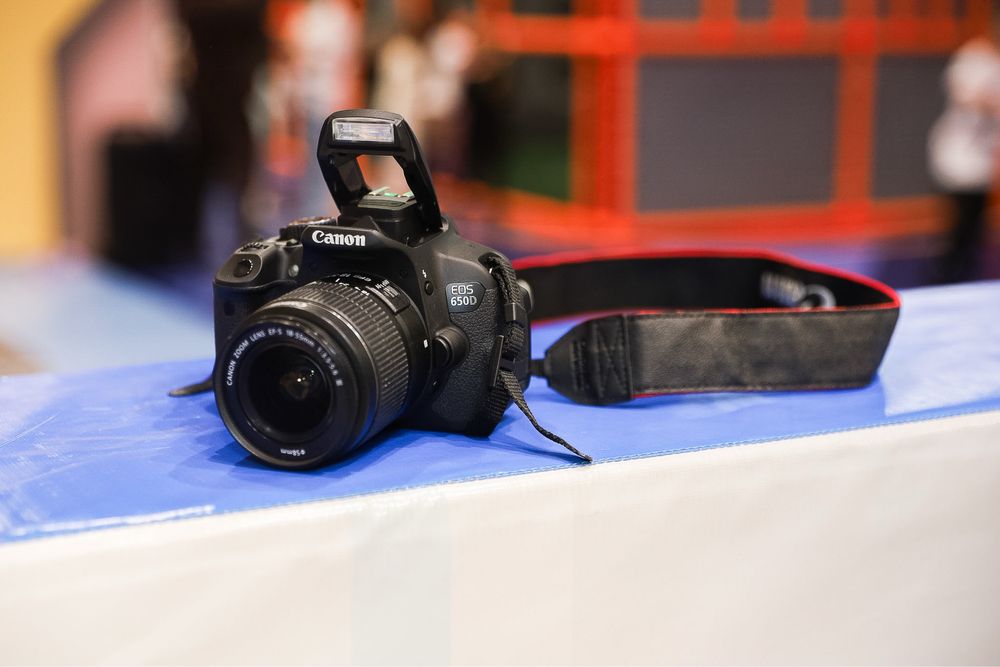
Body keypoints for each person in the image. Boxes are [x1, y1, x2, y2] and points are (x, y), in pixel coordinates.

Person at [928, 37, 1000, 283]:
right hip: (957, 161)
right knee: (956, 228)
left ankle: (964, 275)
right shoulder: (973, 58)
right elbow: (966, 96)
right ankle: (946, 277)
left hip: (980, 164)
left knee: (974, 229)